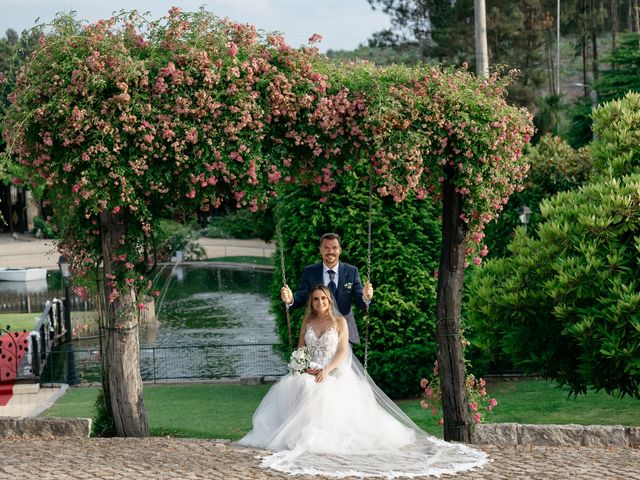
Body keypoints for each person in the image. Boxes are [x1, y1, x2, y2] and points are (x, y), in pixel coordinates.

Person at [238, 285, 488, 478]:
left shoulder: (340, 322)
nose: (320, 302)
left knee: (317, 389)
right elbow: (301, 348)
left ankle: (313, 435)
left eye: (323, 298)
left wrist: (327, 370)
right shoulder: (308, 321)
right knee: (295, 384)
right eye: (316, 299)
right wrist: (303, 366)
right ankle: (296, 432)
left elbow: (341, 352)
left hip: (333, 369)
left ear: (329, 300)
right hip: (311, 368)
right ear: (312, 303)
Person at [280, 232, 373, 344]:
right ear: (320, 250)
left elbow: (362, 302)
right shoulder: (310, 271)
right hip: (318, 332)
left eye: (334, 248)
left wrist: (366, 297)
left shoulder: (351, 271)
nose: (330, 251)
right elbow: (302, 296)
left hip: (344, 333)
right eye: (326, 248)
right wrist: (290, 300)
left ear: (340, 250)